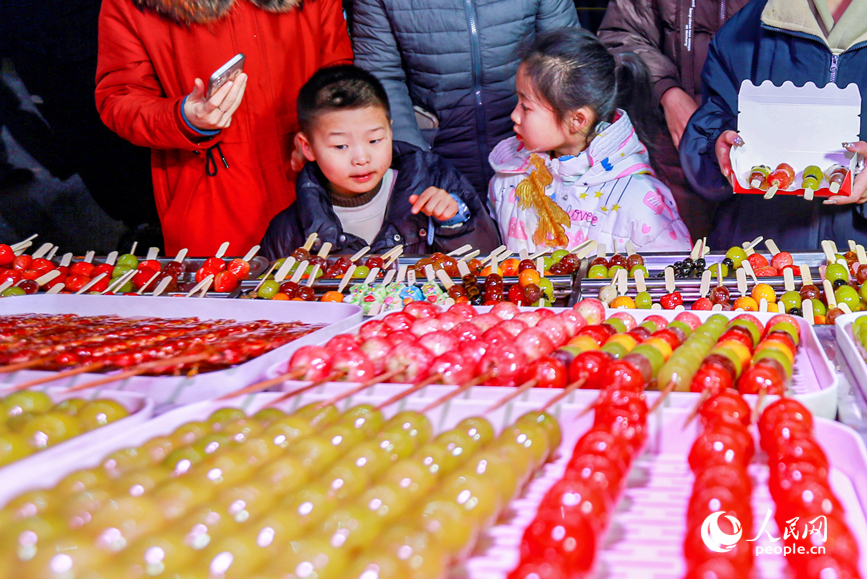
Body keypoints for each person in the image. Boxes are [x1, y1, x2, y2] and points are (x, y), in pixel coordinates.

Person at [95, 0, 352, 257]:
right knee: (222, 288)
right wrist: (183, 118)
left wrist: (323, 126)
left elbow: (337, 68)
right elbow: (120, 98)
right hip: (207, 185)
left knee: (333, 286)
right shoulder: (127, 5)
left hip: (312, 176)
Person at [680, 0, 867, 250]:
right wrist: (720, 146)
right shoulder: (748, 27)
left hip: (857, 252)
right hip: (756, 249)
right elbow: (715, 115)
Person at [261, 65, 501, 259]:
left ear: (390, 131)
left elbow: (488, 262)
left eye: (375, 140)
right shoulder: (288, 230)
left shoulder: (436, 180)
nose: (362, 159)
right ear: (307, 147)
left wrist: (455, 223)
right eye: (341, 146)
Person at [488, 28, 691, 254]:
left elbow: (674, 277)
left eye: (526, 107)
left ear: (577, 120)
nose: (514, 115)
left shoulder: (641, 201)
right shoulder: (509, 178)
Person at [351, 0, 579, 198]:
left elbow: (566, 59)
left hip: (530, 151)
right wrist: (417, 164)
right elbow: (382, 76)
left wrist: (559, 153)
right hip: (434, 154)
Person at [598, 0, 750, 240]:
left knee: (755, 265)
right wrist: (667, 91)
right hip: (671, 145)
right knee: (676, 263)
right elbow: (621, 34)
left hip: (756, 150)